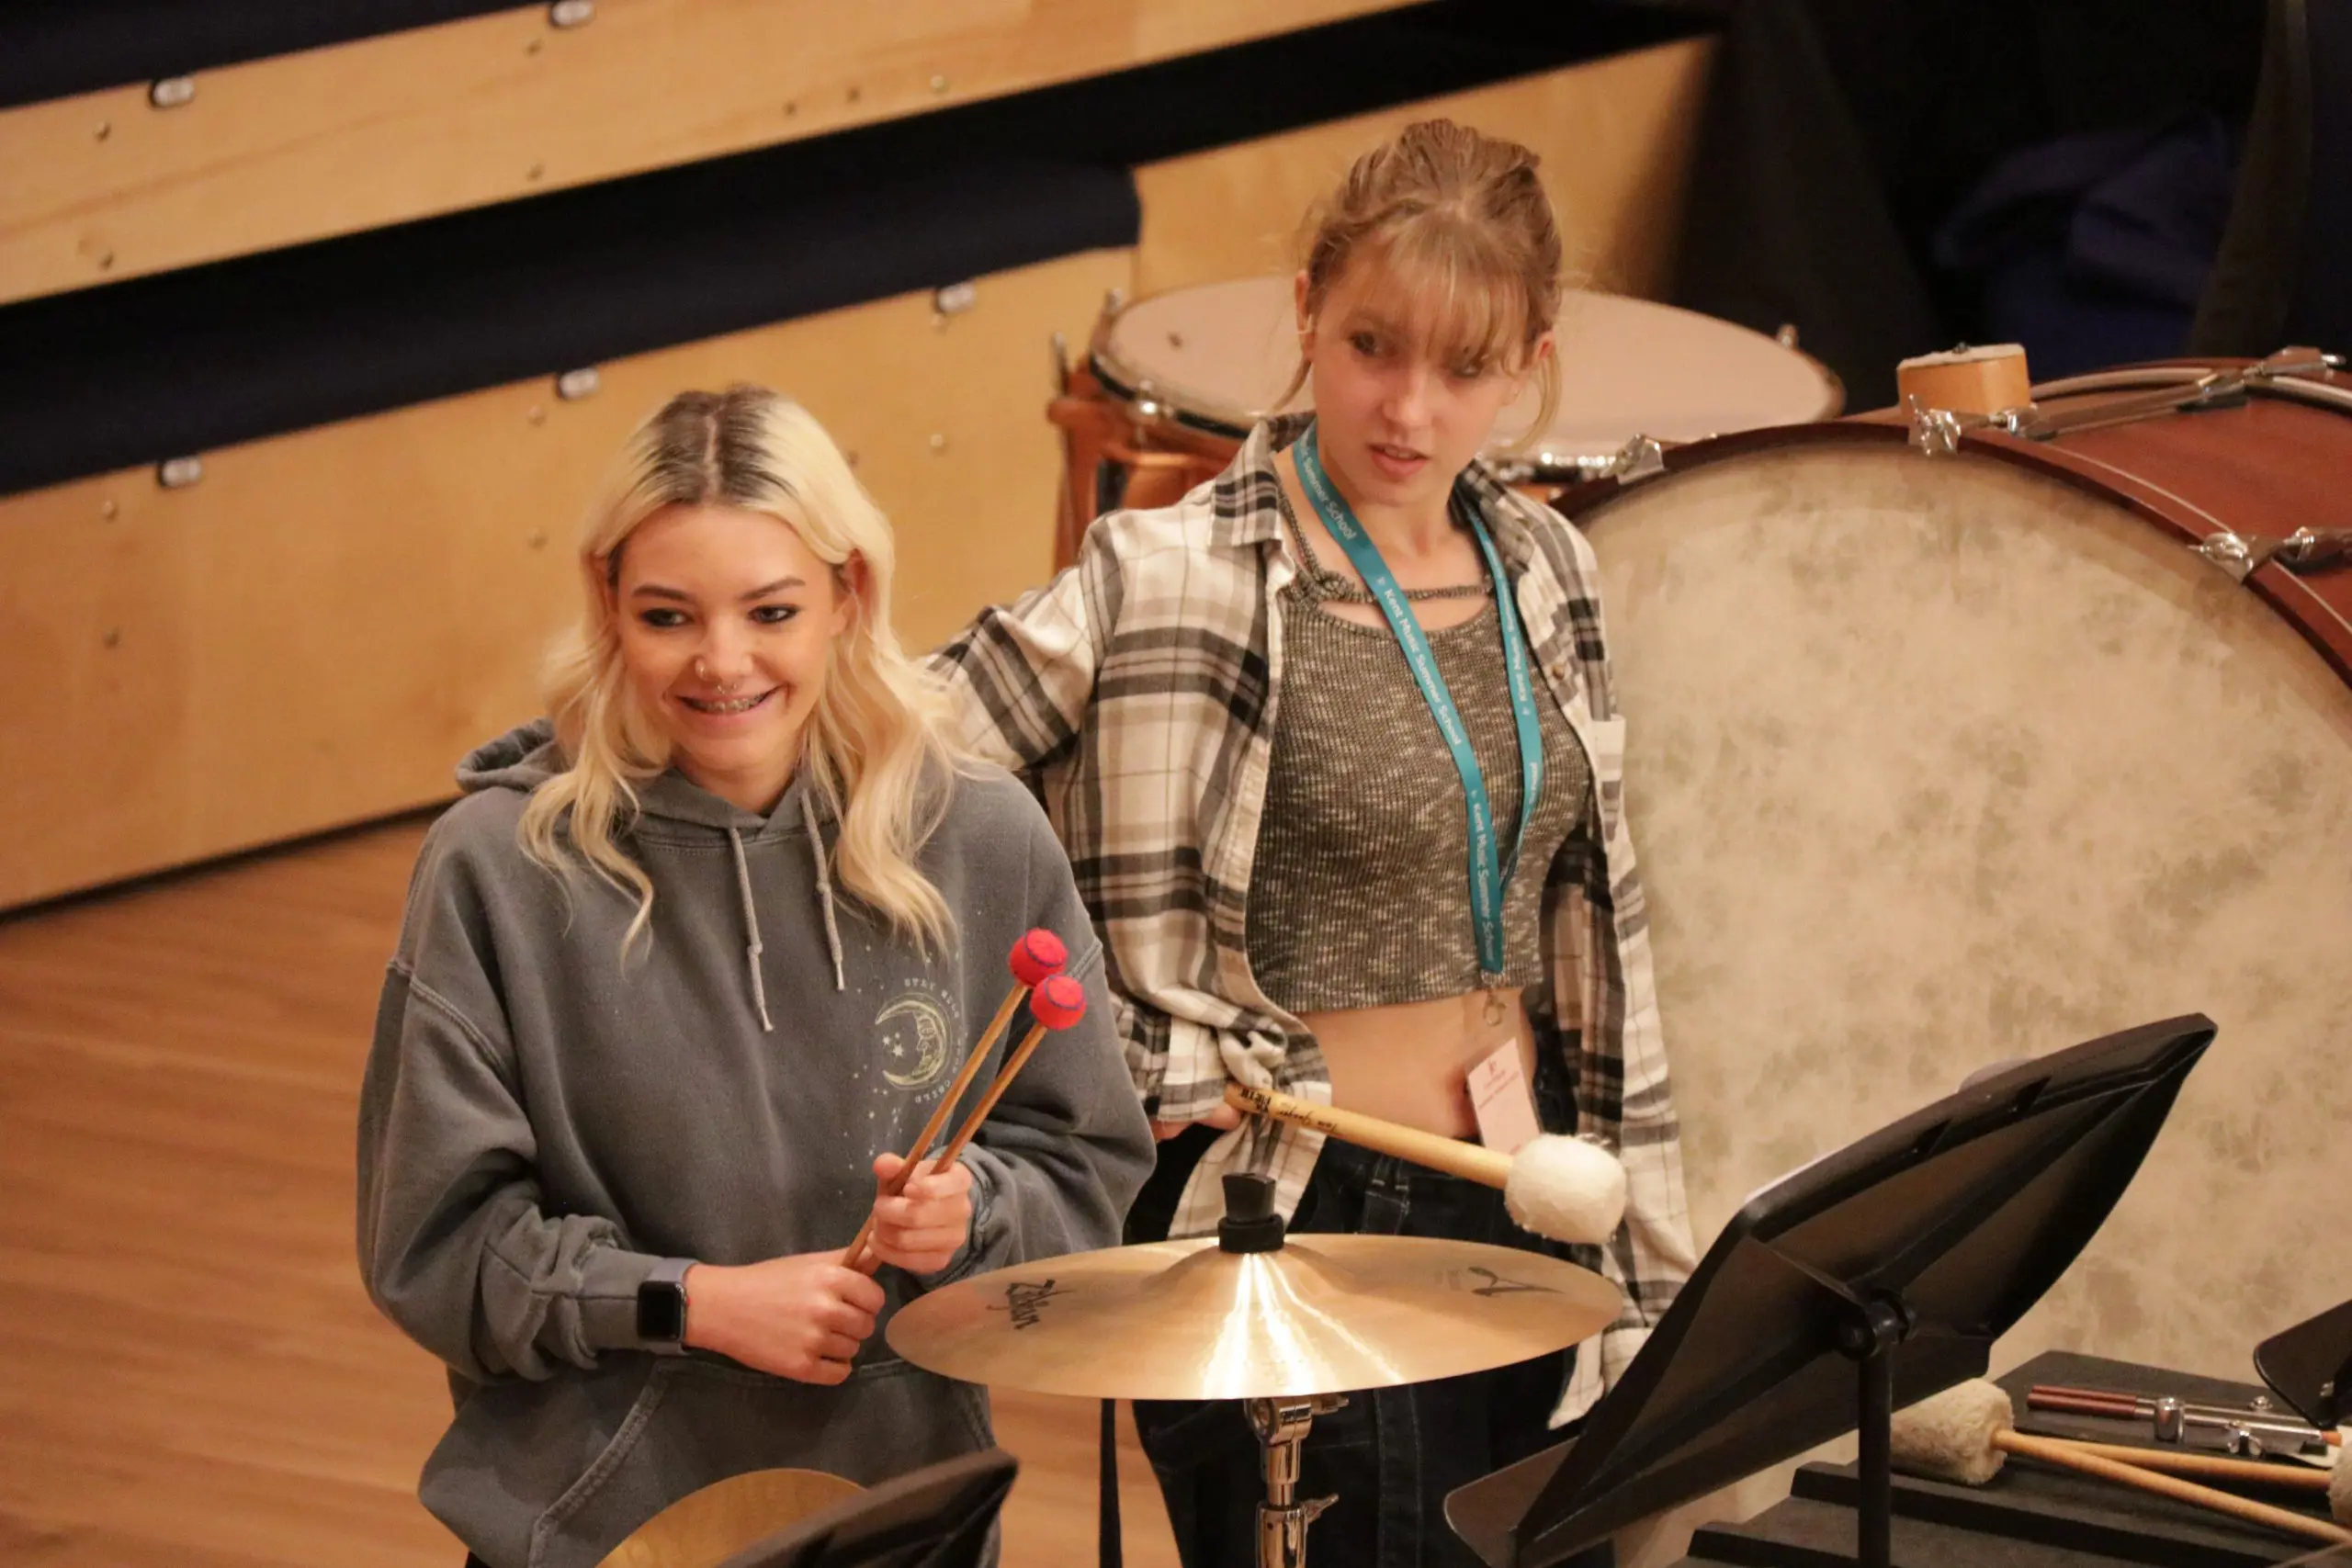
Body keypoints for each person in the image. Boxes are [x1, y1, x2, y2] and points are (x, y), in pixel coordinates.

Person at [931, 120, 1699, 1565]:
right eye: (1370, 344)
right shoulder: (1167, 573)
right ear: (1305, 312)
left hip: (1525, 1187)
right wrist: (1110, 1044)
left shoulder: (1551, 568)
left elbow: (1588, 912)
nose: (1408, 405)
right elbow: (900, 759)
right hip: (1289, 1200)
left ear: (1530, 359)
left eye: (1464, 367)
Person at [356, 386, 1154, 1568]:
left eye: (770, 610)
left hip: (900, 1516)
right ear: (608, 610)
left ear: (849, 596)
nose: (721, 663)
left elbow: (1085, 1165)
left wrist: (975, 1212)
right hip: (597, 1533)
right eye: (668, 615)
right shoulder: (496, 870)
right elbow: (437, 1253)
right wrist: (694, 1301)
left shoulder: (982, 835)